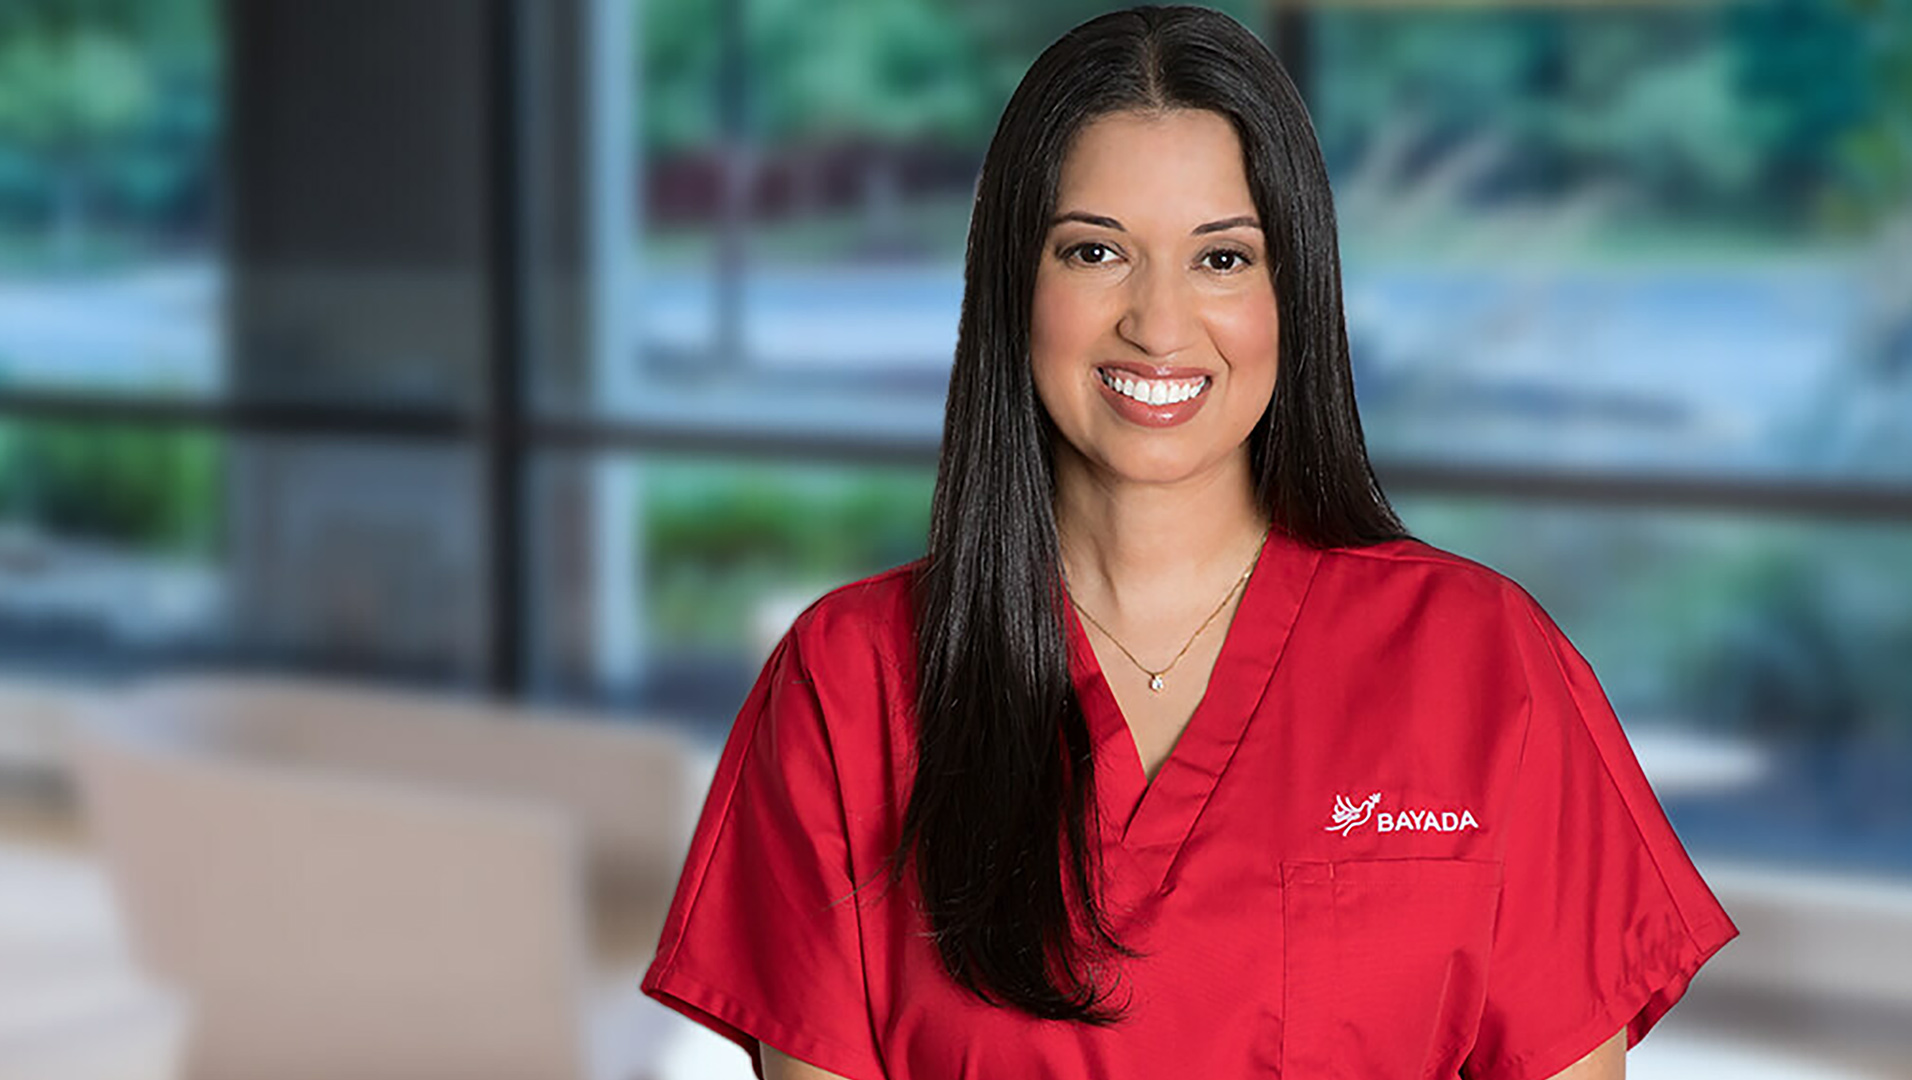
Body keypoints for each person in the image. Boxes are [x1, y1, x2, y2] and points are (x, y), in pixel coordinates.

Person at [639, 6, 1740, 1078]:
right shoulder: (850, 684)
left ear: (1291, 291)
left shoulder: (1487, 661)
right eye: (1094, 253)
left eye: (1222, 259)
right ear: (1012, 286)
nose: (1159, 325)